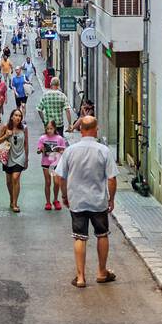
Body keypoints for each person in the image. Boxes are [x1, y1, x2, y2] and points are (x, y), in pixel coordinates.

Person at [54, 116, 117, 288]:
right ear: (96, 130)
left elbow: (60, 177)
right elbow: (111, 179)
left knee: (80, 237)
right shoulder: (104, 151)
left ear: (81, 130)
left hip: (77, 200)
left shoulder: (70, 151)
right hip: (98, 201)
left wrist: (65, 196)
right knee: (102, 234)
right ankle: (102, 272)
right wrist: (111, 199)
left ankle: (80, 277)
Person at [0, 107, 28, 213]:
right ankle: (11, 198)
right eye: (16, 115)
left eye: (20, 116)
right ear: (12, 117)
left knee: (15, 177)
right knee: (9, 181)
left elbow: (26, 144)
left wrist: (26, 159)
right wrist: (6, 136)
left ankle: (15, 203)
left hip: (20, 155)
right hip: (8, 156)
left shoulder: (24, 128)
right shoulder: (6, 127)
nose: (18, 117)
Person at [37, 119, 67, 211]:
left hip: (56, 163)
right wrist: (41, 149)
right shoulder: (42, 138)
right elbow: (38, 150)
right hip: (46, 163)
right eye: (47, 128)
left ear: (54, 128)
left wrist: (60, 150)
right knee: (48, 182)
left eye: (51, 128)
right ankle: (48, 202)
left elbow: (63, 150)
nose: (49, 130)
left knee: (56, 182)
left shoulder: (59, 138)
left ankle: (55, 199)